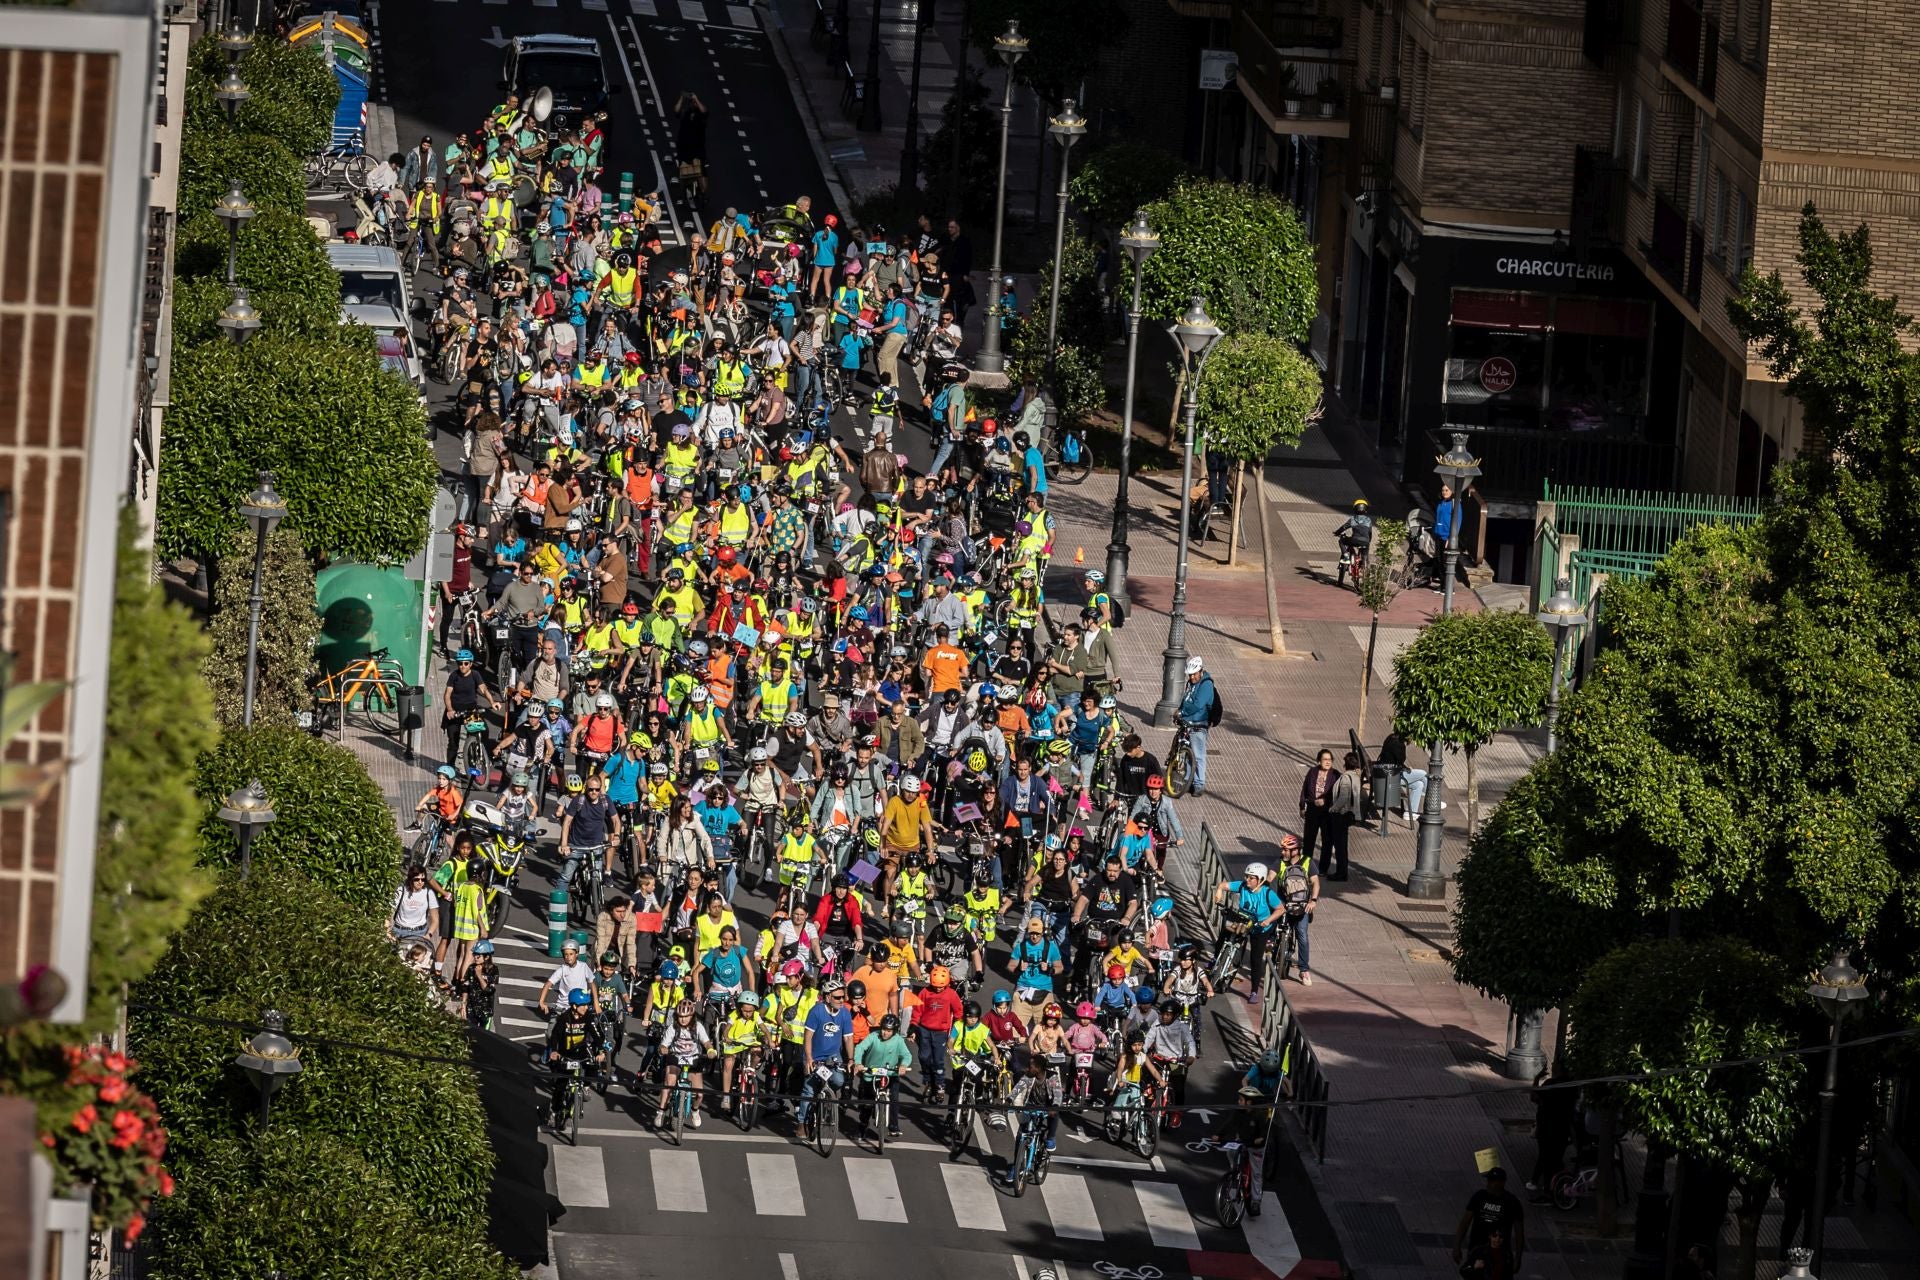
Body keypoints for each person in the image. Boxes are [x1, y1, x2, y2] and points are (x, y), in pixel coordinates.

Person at [1213, 861, 1283, 1000]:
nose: (1247, 880)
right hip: (1244, 920)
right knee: (1225, 932)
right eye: (1246, 876)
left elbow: (1281, 909)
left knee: (1255, 959)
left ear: (1261, 880)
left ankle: (1254, 991)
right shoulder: (1242, 886)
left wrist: (1268, 920)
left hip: (1260, 927)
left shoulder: (1267, 893)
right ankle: (1215, 958)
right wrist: (1219, 892)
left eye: (1251, 878)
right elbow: (1223, 885)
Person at [544, 988, 608, 1125]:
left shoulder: (588, 1018)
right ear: (574, 1006)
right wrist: (554, 1052)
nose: (586, 1007)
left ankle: (586, 1086)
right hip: (565, 1054)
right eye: (583, 1005)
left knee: (592, 1064)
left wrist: (601, 1051)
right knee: (560, 1086)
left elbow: (597, 1035)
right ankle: (554, 1111)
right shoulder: (563, 1018)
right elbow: (554, 1036)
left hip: (582, 1052)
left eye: (587, 1004)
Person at [796, 979, 856, 1127]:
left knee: (838, 1080)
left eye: (843, 997)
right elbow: (808, 1037)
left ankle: (827, 1100)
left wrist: (851, 1059)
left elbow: (848, 1038)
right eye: (837, 997)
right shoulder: (816, 1011)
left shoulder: (845, 1013)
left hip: (833, 1056)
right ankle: (801, 1122)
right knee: (809, 1089)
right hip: (814, 1055)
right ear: (828, 997)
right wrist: (809, 1058)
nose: (841, 1000)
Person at [1000, 1054, 1064, 1181]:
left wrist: (1054, 1106)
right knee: (1021, 1135)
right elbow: (1018, 1088)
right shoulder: (1029, 1076)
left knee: (1055, 1114)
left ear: (1039, 1069)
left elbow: (1058, 1094)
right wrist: (1009, 1100)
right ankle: (1016, 1166)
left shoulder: (1052, 1077)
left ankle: (1050, 1138)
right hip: (1031, 1106)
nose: (1028, 1069)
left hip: (1048, 1107)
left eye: (1031, 1067)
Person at [1453, 1167, 1526, 1275]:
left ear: (1501, 1183)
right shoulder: (1479, 1197)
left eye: (1492, 1181)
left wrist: (1518, 1258)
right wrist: (1456, 1245)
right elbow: (1465, 1223)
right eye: (1489, 1180)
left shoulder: (1511, 1202)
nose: (1488, 1184)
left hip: (1500, 1252)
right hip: (1477, 1250)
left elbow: (1519, 1232)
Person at [853, 1012, 913, 1138]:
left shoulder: (899, 1041)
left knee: (894, 1099)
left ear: (894, 1031)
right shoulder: (873, 1036)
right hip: (871, 1074)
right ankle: (862, 1126)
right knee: (867, 1104)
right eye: (884, 1029)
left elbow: (907, 1055)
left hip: (891, 1074)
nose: (885, 1033)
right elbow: (860, 1048)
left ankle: (893, 1126)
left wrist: (903, 1065)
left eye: (889, 1031)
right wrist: (858, 1063)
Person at [1276, 834, 1319, 985]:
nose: (1283, 852)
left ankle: (1304, 970)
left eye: (1285, 849)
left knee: (1302, 935)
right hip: (1283, 902)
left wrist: (1313, 901)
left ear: (1295, 851)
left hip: (1302, 904)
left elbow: (1315, 883)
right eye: (1282, 849)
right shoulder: (1280, 862)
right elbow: (1269, 876)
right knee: (1273, 922)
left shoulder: (1307, 862)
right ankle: (1271, 945)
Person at [1176, 656, 1218, 796]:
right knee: (1189, 754)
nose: (1192, 677)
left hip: (1199, 724)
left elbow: (1197, 705)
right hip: (1187, 722)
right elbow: (1187, 700)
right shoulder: (1191, 684)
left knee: (1198, 755)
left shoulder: (1206, 685)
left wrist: (1183, 710)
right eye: (1190, 674)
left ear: (1201, 671)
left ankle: (1199, 784)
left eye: (1194, 674)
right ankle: (1188, 781)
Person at [1323, 750, 1365, 880]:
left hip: (1341, 815)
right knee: (1343, 844)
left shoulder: (1346, 777)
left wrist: (1333, 809)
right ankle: (1342, 872)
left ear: (1346, 763)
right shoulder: (1356, 777)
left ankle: (1341, 873)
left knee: (1339, 845)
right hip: (1349, 815)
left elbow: (1343, 797)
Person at [1298, 748, 1339, 873]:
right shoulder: (1312, 772)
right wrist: (1302, 806)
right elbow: (1305, 789)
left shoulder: (1336, 775)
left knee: (1327, 840)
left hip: (1327, 812)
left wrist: (1326, 801)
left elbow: (1338, 795)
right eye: (1325, 759)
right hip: (1312, 809)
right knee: (1309, 839)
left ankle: (1322, 869)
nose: (1327, 762)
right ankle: (1305, 866)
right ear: (1319, 761)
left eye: (1330, 760)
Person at [539, 939, 596, 1016]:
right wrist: (541, 1002)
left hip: (580, 1005)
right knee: (553, 1026)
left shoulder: (583, 966)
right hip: (563, 1006)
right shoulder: (562, 969)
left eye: (571, 954)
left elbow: (592, 983)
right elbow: (548, 984)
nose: (568, 957)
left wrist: (596, 1003)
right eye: (566, 954)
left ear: (577, 953)